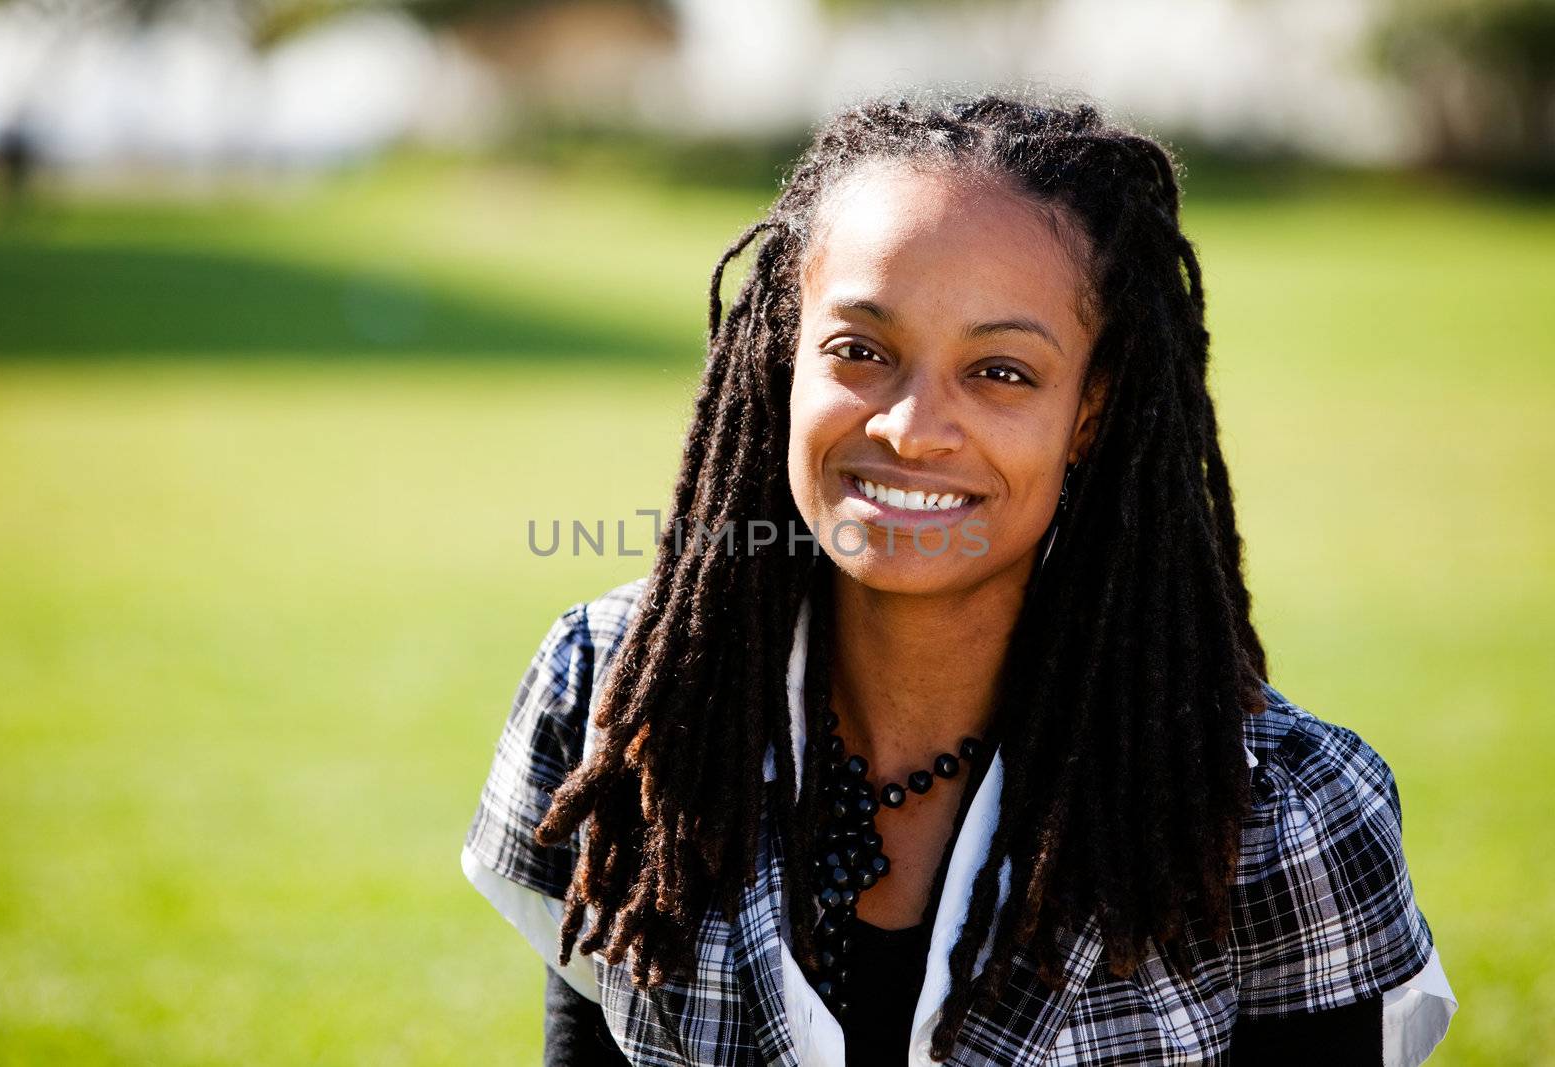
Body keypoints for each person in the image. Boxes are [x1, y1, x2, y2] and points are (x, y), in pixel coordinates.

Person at [460, 91, 1459, 1065]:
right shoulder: (621, 699)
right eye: (860, 350)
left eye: (1001, 371)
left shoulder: (1274, 805)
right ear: (782, 355)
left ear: (1091, 411)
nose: (910, 427)